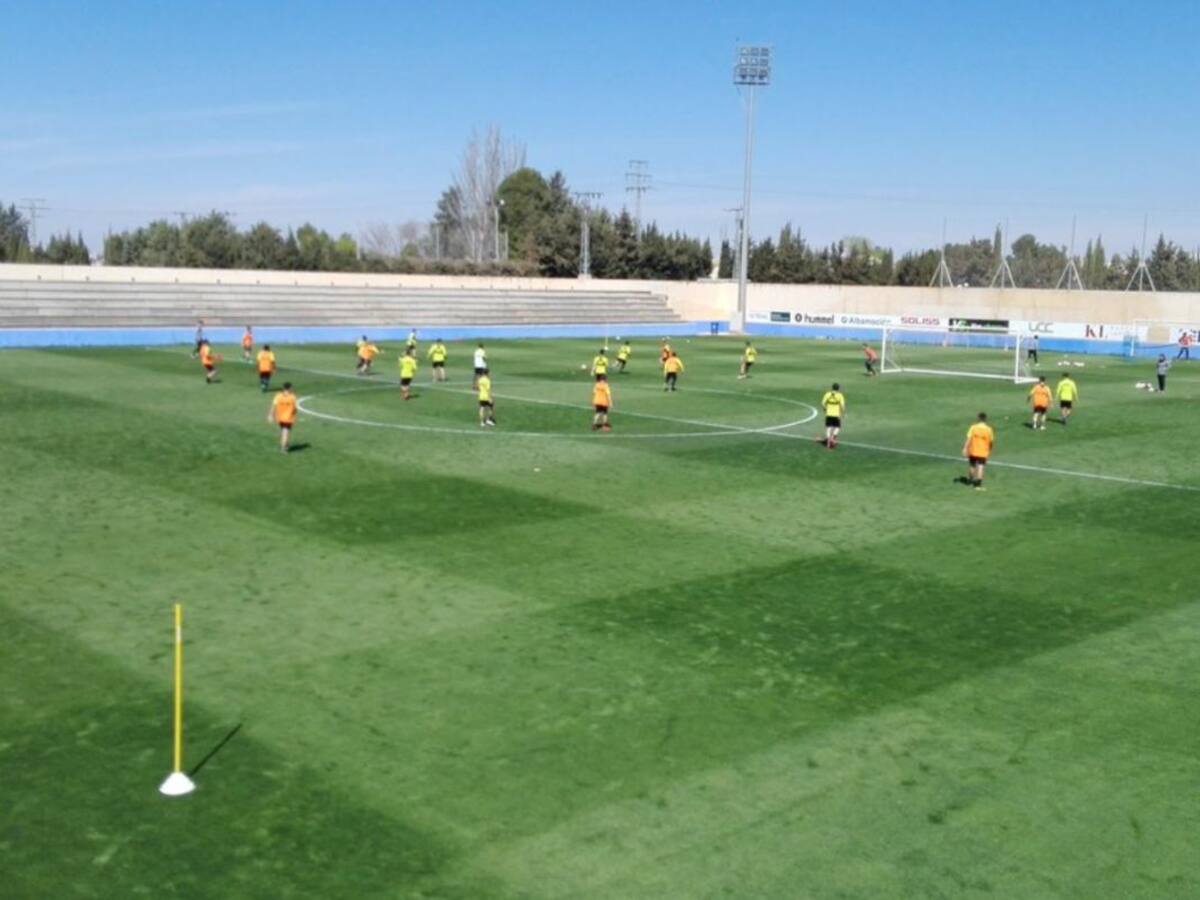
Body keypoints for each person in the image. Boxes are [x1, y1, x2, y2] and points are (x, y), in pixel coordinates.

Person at [962, 412, 995, 491]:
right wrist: (990, 449)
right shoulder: (989, 429)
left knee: (972, 465)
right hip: (983, 452)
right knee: (981, 466)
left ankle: (970, 480)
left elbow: (968, 438)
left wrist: (965, 448)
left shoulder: (973, 427)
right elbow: (991, 442)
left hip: (973, 450)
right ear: (985, 419)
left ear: (978, 418)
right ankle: (978, 485)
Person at [268, 381, 297, 453]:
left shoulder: (278, 395)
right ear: (290, 388)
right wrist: (293, 413)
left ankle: (285, 444)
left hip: (280, 417)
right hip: (288, 418)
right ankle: (283, 448)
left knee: (283, 430)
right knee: (286, 431)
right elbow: (295, 408)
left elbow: (273, 405)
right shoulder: (292, 396)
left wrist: (271, 415)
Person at [820, 382, 846, 449]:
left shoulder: (827, 394)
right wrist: (843, 413)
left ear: (832, 388)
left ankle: (828, 442)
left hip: (828, 414)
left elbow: (822, 403)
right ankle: (833, 438)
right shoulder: (840, 395)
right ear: (838, 388)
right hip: (836, 414)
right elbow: (842, 406)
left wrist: (825, 409)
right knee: (837, 427)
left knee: (828, 428)